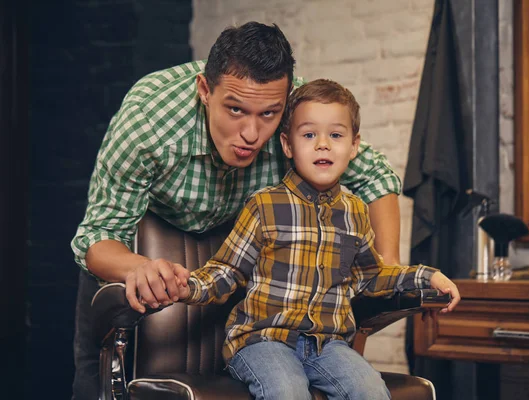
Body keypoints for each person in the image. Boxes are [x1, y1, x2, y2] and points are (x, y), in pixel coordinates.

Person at [71, 22, 405, 398]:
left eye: (268, 114)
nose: (251, 133)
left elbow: (376, 177)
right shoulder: (148, 122)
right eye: (235, 109)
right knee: (91, 380)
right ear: (204, 90)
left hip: (240, 254)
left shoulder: (297, 117)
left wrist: (388, 267)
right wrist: (141, 268)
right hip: (146, 249)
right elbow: (98, 237)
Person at [170, 79, 461, 400]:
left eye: (335, 135)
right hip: (264, 340)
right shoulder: (264, 205)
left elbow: (372, 277)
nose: (323, 144)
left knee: (372, 391)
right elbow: (226, 272)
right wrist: (187, 286)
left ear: (353, 146)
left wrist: (426, 275)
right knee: (288, 392)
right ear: (287, 145)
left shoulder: (355, 212)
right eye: (309, 135)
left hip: (328, 344)